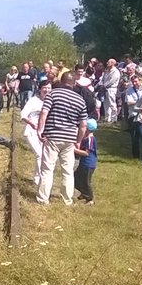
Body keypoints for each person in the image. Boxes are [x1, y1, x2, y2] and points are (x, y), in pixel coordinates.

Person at [35, 71, 88, 205]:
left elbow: (44, 113)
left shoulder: (52, 94)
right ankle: (67, 199)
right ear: (74, 83)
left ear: (60, 81)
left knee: (47, 168)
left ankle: (43, 199)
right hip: (69, 138)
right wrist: (78, 140)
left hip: (52, 136)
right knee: (67, 170)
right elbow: (83, 125)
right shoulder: (80, 100)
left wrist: (40, 130)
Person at [20, 80, 53, 185]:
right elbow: (23, 114)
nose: (46, 90)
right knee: (39, 154)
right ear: (40, 89)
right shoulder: (33, 101)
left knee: (44, 155)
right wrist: (31, 123)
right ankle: (38, 180)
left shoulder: (52, 101)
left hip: (45, 132)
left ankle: (38, 176)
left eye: (48, 88)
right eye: (44, 88)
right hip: (32, 131)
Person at [73, 118, 98, 205]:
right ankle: (84, 193)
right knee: (75, 178)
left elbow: (87, 153)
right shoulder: (86, 138)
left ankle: (90, 198)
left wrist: (75, 150)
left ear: (87, 128)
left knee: (86, 182)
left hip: (88, 164)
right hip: (83, 163)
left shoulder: (90, 139)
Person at [99, 59, 121, 124]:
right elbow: (103, 78)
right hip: (105, 89)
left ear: (113, 63)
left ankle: (114, 118)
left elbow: (111, 81)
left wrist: (104, 86)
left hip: (111, 89)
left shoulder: (115, 72)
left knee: (112, 103)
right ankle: (107, 118)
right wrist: (101, 85)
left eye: (108, 62)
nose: (107, 63)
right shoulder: (107, 70)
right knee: (106, 104)